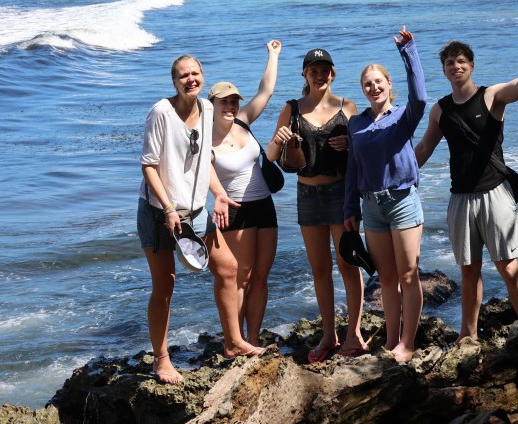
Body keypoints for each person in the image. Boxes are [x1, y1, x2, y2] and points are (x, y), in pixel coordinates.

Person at [414, 34, 518, 340]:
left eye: (461, 61)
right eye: (449, 63)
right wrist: (395, 175)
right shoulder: (440, 110)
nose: (455, 66)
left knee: (507, 266)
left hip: (494, 194)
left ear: (472, 66)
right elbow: (424, 148)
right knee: (468, 271)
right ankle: (469, 336)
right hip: (461, 198)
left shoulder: (491, 96)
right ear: (444, 70)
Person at [137, 55, 264, 385]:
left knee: (228, 268)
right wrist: (167, 207)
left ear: (202, 77)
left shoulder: (208, 110)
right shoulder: (161, 113)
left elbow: (204, 160)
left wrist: (219, 193)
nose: (190, 79)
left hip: (195, 210)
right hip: (159, 212)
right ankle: (161, 360)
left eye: (195, 73)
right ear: (174, 81)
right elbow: (149, 166)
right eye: (183, 75)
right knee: (165, 285)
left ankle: (234, 343)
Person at [265, 47, 368, 361]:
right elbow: (270, 156)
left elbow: (366, 152)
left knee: (348, 265)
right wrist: (280, 139)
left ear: (332, 73)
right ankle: (329, 335)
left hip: (340, 193)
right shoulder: (292, 108)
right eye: (314, 71)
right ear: (305, 76)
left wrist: (351, 143)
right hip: (307, 196)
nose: (320, 75)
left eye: (325, 70)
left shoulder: (346, 106)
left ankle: (355, 333)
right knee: (320, 270)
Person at [344, 26, 427, 362]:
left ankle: (408, 342)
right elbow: (353, 167)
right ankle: (392, 340)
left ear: (389, 85)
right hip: (371, 206)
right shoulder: (357, 124)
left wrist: (409, 52)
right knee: (387, 277)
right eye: (368, 84)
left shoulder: (402, 118)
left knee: (408, 274)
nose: (374, 87)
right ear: (363, 90)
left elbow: (420, 97)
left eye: (379, 81)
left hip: (402, 202)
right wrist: (350, 207)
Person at [209, 39, 282, 347]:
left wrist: (273, 55)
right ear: (210, 104)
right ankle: (233, 341)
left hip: (264, 205)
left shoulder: (244, 121)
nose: (231, 106)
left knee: (261, 278)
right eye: (224, 101)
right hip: (234, 209)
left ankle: (252, 338)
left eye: (234, 101)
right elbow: (199, 174)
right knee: (241, 278)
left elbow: (265, 91)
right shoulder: (204, 138)